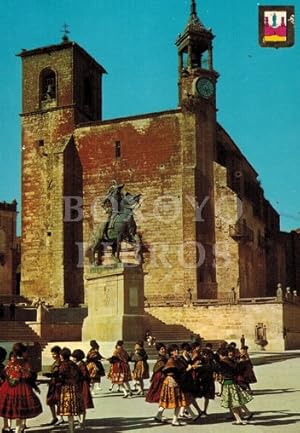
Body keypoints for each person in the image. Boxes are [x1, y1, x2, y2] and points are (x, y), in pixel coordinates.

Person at [0, 342, 42, 433]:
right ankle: (18, 430)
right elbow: (28, 377)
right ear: (22, 352)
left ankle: (6, 427)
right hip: (21, 388)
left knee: (8, 408)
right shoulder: (24, 364)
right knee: (20, 411)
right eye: (25, 352)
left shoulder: (11, 363)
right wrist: (35, 386)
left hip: (8, 387)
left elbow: (5, 373)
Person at [155, 344, 189, 426]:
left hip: (173, 382)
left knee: (168, 401)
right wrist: (186, 370)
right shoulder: (171, 361)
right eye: (174, 350)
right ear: (171, 352)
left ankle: (159, 416)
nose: (176, 352)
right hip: (172, 383)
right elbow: (170, 371)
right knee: (178, 401)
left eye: (177, 350)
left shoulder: (175, 359)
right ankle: (174, 420)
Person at [217, 348, 253, 425]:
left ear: (220, 355)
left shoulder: (222, 362)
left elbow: (214, 368)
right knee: (237, 400)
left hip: (228, 384)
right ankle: (247, 413)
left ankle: (238, 419)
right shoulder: (232, 361)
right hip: (234, 382)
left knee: (232, 403)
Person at [56, 347, 84, 433]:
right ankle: (73, 428)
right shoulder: (73, 364)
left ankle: (71, 430)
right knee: (73, 411)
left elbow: (60, 377)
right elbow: (79, 376)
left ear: (62, 356)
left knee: (69, 412)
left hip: (66, 389)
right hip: (75, 388)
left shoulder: (63, 365)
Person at [71, 349, 94, 428]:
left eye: (74, 357)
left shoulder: (81, 365)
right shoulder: (77, 364)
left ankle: (82, 422)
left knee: (82, 404)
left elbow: (84, 375)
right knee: (77, 405)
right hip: (78, 385)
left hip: (82, 385)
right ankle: (80, 422)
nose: (73, 358)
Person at [43, 345, 64, 426]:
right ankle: (54, 417)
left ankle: (60, 418)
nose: (53, 356)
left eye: (54, 354)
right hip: (53, 384)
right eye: (52, 354)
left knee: (58, 401)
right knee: (50, 401)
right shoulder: (55, 362)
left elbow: (59, 374)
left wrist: (50, 375)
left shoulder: (61, 363)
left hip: (58, 384)